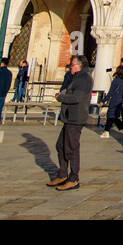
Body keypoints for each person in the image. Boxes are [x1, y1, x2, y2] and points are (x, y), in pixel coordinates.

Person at [49, 55, 90, 190]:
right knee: (60, 146)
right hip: (69, 116)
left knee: (71, 148)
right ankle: (62, 174)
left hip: (76, 117)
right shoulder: (75, 77)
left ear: (79, 65)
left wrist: (62, 97)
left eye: (72, 65)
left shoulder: (84, 79)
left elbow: (77, 97)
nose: (70, 67)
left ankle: (74, 178)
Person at [99, 65, 123, 139]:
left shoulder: (116, 80)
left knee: (110, 116)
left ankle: (107, 131)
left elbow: (110, 92)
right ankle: (108, 130)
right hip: (120, 100)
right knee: (114, 117)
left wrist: (103, 100)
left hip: (115, 100)